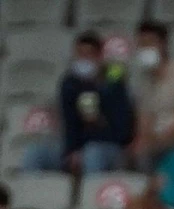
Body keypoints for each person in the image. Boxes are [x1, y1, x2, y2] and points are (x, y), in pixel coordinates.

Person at [23, 31, 135, 176]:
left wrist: (97, 124)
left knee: (92, 154)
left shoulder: (115, 83)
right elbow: (69, 123)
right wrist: (72, 151)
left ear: (100, 57)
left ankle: (89, 196)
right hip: (78, 147)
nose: (84, 59)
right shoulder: (70, 83)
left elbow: (122, 133)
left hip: (109, 148)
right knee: (35, 153)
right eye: (80, 54)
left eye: (89, 55)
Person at [129, 21, 174, 167]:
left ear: (163, 44)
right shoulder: (144, 80)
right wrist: (143, 139)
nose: (145, 48)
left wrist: (163, 139)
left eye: (149, 43)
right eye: (141, 44)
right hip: (154, 141)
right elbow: (144, 117)